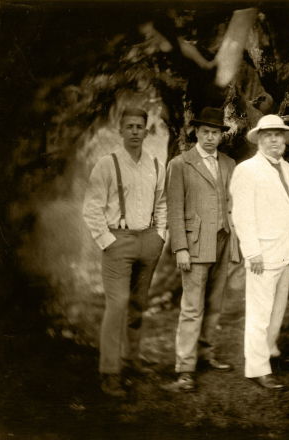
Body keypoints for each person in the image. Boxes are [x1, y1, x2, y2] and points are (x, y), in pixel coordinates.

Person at [83, 107, 167, 397]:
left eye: (139, 127)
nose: (134, 131)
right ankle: (110, 372)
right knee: (117, 305)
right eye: (129, 126)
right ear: (120, 130)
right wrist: (107, 241)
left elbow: (162, 203)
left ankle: (132, 359)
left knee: (138, 304)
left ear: (146, 131)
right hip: (117, 240)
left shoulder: (155, 165)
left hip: (148, 240)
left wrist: (160, 235)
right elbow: (91, 208)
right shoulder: (106, 165)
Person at [165, 107, 240, 392]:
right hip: (195, 243)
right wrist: (180, 248)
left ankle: (206, 354)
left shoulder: (229, 163)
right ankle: (185, 368)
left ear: (221, 136)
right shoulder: (180, 164)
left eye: (215, 132)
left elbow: (233, 203)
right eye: (206, 132)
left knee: (214, 303)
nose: (210, 137)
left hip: (223, 239)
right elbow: (174, 209)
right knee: (192, 307)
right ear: (196, 132)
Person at [230, 114, 289, 390]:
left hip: (284, 249)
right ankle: (257, 368)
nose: (274, 140)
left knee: (277, 308)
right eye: (268, 135)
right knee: (259, 312)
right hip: (262, 251)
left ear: (284, 139)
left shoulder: (286, 168)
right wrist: (252, 252)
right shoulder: (247, 170)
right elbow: (242, 215)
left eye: (278, 135)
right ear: (259, 139)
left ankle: (269, 352)